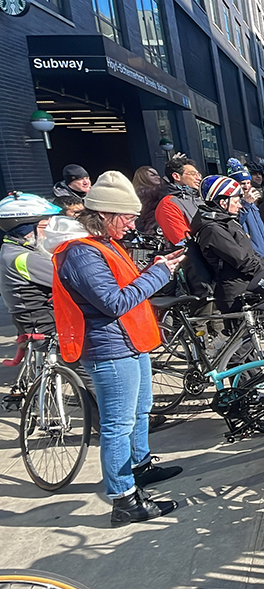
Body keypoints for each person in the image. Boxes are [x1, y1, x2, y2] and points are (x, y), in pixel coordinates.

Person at [50, 170, 184, 525]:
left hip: (129, 342)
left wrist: (155, 268)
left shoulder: (103, 245)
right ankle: (123, 498)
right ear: (106, 215)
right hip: (110, 349)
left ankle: (139, 467)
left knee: (139, 412)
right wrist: (159, 274)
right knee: (117, 425)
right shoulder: (81, 254)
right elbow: (113, 302)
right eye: (126, 218)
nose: (130, 224)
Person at [190, 176, 264, 314]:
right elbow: (240, 259)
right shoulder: (213, 229)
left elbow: (249, 251)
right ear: (223, 203)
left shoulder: (226, 221)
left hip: (243, 283)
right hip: (234, 291)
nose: (240, 205)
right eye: (236, 201)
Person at [0, 193, 63, 336]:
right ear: (27, 230)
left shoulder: (11, 248)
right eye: (45, 226)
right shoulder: (24, 257)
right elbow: (70, 281)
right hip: (46, 325)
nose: (49, 232)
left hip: (35, 322)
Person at [156, 153, 203, 245]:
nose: (199, 178)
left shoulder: (200, 198)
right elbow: (181, 241)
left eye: (199, 174)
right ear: (176, 176)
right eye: (193, 174)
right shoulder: (168, 204)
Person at [133, 166, 164, 235]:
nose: (158, 177)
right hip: (153, 228)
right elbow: (158, 189)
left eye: (158, 174)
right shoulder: (141, 192)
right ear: (143, 178)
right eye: (153, 175)